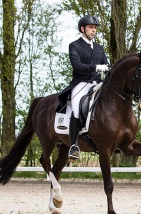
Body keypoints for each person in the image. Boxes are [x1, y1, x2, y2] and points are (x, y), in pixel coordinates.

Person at [57, 15, 109, 160]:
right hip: (80, 83)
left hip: (98, 83)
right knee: (76, 107)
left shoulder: (99, 48)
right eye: (91, 28)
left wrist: (108, 68)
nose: (94, 30)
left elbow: (107, 64)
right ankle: (73, 146)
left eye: (95, 28)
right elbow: (77, 66)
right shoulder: (75, 46)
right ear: (82, 29)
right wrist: (95, 67)